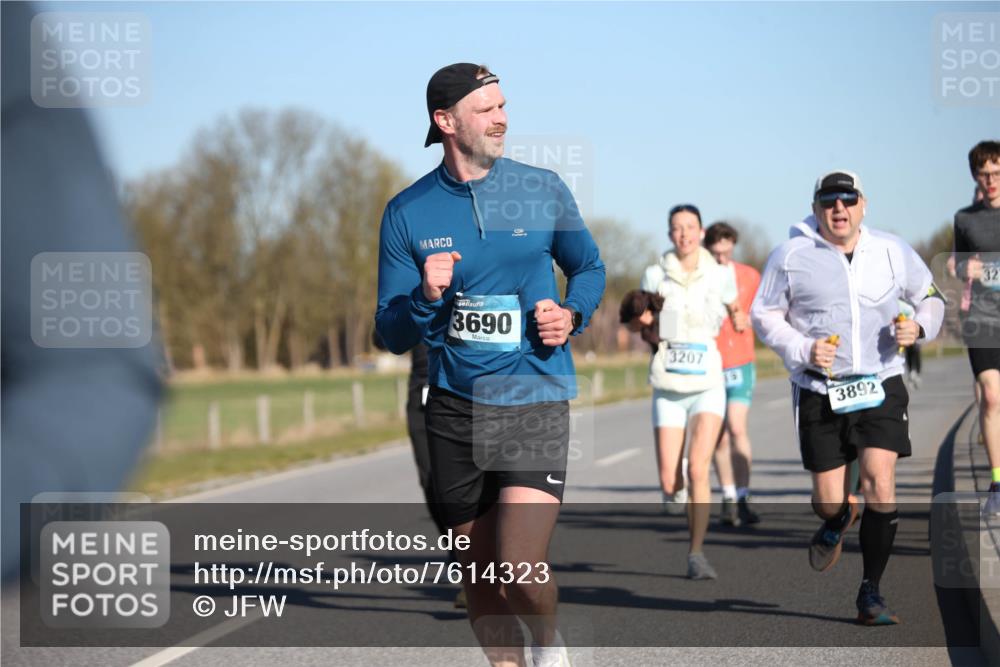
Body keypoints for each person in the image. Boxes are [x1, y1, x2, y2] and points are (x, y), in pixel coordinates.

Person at [375, 63, 605, 667]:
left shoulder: (542, 187)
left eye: (504, 105)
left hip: (533, 395)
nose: (502, 118)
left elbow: (590, 268)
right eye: (486, 109)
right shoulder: (407, 212)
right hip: (454, 410)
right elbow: (390, 332)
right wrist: (425, 297)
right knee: (479, 577)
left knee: (521, 568)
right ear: (445, 121)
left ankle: (549, 643)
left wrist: (572, 314)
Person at [752, 170, 944, 625]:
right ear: (817, 208)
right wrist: (802, 349)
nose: (839, 209)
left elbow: (931, 296)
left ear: (863, 204)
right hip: (820, 387)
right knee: (826, 499)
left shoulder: (892, 251)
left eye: (847, 200)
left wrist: (919, 327)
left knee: (880, 477)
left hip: (881, 380)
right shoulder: (791, 255)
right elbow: (764, 314)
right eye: (829, 202)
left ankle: (871, 591)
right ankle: (839, 518)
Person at [640, 204, 746, 579]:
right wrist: (646, 324)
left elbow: (734, 303)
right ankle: (677, 490)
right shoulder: (655, 274)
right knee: (671, 481)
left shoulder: (719, 274)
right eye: (676, 228)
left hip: (707, 383)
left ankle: (696, 553)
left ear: (701, 232)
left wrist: (738, 316)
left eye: (690, 227)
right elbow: (646, 326)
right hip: (669, 383)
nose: (683, 234)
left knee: (699, 467)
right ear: (669, 234)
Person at [704, 221, 762, 527]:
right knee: (719, 435)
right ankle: (728, 496)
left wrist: (748, 320)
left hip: (740, 361)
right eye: (715, 253)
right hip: (710, 363)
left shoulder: (750, 276)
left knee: (737, 428)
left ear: (733, 247)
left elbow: (767, 313)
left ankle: (743, 495)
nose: (722, 258)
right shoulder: (700, 276)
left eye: (726, 251)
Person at [953, 141, 1000, 515]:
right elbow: (955, 261)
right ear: (975, 176)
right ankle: (998, 482)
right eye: (984, 174)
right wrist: (961, 267)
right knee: (991, 395)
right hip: (982, 319)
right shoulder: (965, 218)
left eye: (997, 172)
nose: (991, 180)